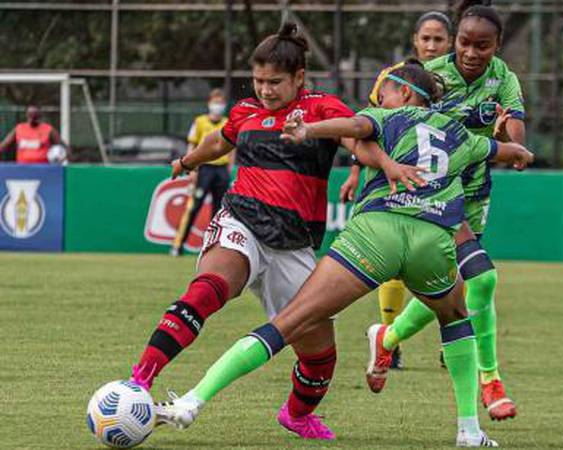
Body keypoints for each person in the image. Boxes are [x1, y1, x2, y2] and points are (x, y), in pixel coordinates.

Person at [154, 62, 533, 447]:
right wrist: (518, 150)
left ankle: (191, 401)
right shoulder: (459, 132)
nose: (377, 96)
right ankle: (469, 429)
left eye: (384, 88)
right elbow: (508, 151)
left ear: (404, 93)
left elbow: (354, 128)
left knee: (289, 322)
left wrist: (309, 130)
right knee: (455, 319)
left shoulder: (387, 115)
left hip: (377, 235)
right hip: (432, 240)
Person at [128, 23, 405, 440]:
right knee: (209, 287)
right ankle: (140, 381)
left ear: (299, 78)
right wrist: (188, 161)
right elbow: (220, 144)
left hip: (293, 246)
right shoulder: (243, 113)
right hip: (241, 221)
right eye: (258, 81)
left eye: (274, 82)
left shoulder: (322, 108)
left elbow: (357, 139)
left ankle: (296, 415)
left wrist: (383, 163)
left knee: (320, 359)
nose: (265, 90)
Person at [357, 0, 527, 421]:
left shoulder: (504, 79)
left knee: (452, 287)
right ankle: (490, 382)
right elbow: (379, 123)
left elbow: (519, 148)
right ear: (455, 42)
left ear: (497, 46)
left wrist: (507, 133)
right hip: (432, 196)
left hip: (473, 195)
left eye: (482, 46)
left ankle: (388, 337)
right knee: (482, 280)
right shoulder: (432, 77)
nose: (471, 53)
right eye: (465, 43)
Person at [360, 10, 454, 369]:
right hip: (397, 176)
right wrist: (358, 172)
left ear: (450, 42)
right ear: (415, 40)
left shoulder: (456, 77)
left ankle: (451, 339)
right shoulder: (393, 78)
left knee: (449, 263)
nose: (431, 45)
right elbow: (369, 125)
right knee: (397, 264)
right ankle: (389, 337)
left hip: (443, 180)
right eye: (426, 38)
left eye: (439, 39)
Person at [170, 89, 232, 257]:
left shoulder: (228, 122)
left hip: (221, 170)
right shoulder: (200, 122)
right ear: (209, 103)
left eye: (221, 102)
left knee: (219, 211)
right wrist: (192, 168)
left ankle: (214, 247)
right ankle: (178, 245)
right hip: (204, 169)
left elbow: (232, 148)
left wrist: (229, 168)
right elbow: (192, 145)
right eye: (215, 102)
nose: (217, 106)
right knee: (194, 207)